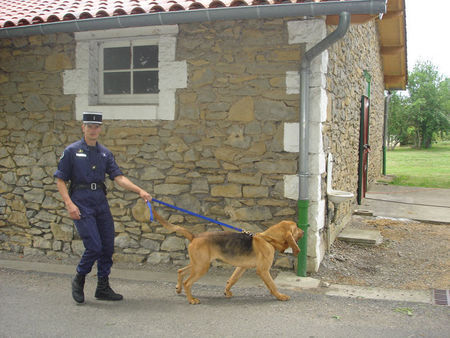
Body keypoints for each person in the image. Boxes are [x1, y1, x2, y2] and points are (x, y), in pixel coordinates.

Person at [54, 111, 152, 304]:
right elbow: (60, 179)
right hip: (81, 201)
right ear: (83, 127)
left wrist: (140, 190)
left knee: (107, 246)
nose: (93, 130)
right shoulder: (72, 151)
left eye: (97, 126)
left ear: (100, 129)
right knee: (94, 246)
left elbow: (119, 177)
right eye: (90, 126)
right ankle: (79, 279)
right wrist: (69, 204)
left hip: (100, 201)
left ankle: (102, 287)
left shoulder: (104, 153)